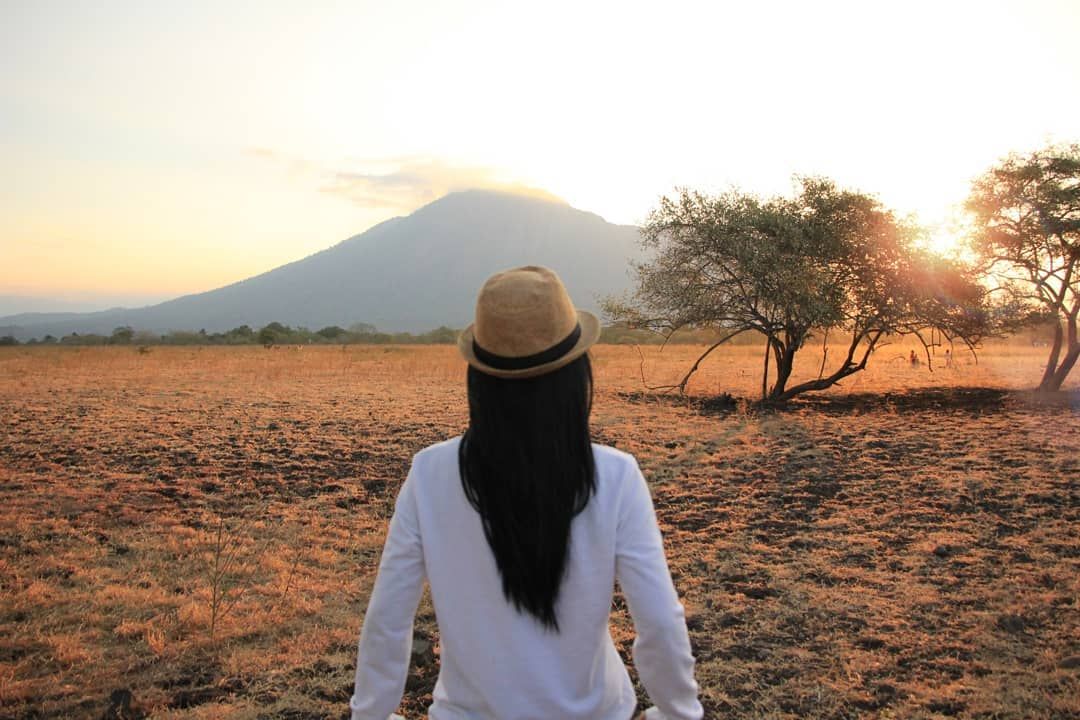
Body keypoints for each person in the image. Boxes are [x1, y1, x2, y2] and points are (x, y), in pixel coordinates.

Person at [349, 266, 704, 720]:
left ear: (479, 376)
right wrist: (679, 712)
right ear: (576, 372)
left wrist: (370, 715)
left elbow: (388, 620)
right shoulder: (616, 476)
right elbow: (658, 621)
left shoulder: (430, 474)